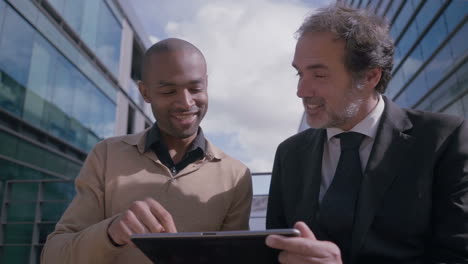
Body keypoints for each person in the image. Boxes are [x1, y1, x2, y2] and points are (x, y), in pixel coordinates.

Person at [265, 4, 468, 264]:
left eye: (319, 74)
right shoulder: (289, 154)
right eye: (300, 73)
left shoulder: (443, 140)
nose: (301, 90)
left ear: (370, 76)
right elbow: (274, 252)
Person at [41, 38, 252, 264]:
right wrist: (112, 232)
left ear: (206, 85)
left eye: (195, 88)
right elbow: (53, 256)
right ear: (145, 92)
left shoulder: (236, 176)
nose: (186, 102)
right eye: (169, 91)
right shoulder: (106, 156)